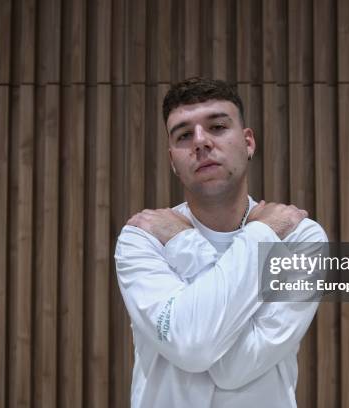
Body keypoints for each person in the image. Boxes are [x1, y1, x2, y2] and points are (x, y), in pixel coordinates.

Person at [114, 77, 328, 407]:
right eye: (184, 135)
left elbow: (234, 368)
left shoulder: (301, 238)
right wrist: (263, 235)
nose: (201, 142)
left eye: (217, 126)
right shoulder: (143, 238)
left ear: (248, 143)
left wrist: (184, 241)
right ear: (173, 161)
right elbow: (191, 346)